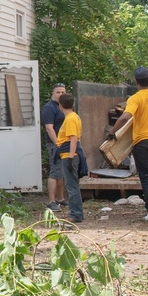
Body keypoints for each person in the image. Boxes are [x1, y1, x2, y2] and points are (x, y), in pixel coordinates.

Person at [107, 66, 148, 223]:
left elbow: (125, 117)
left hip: (143, 143)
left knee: (146, 176)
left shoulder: (135, 98)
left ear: (136, 82)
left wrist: (112, 132)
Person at [56, 93, 84, 223]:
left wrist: (71, 158)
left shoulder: (71, 119)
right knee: (72, 185)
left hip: (69, 155)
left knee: (71, 186)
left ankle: (76, 213)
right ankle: (76, 212)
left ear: (60, 105)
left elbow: (73, 139)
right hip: (67, 154)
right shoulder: (72, 117)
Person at [41, 83, 67, 212]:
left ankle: (60, 198)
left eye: (63, 92)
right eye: (58, 92)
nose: (61, 95)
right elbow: (49, 128)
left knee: (61, 172)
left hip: (64, 143)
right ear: (53, 93)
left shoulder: (62, 107)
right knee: (54, 172)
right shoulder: (49, 108)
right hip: (54, 144)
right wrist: (57, 143)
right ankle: (51, 201)